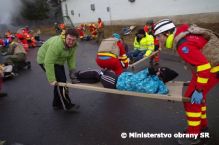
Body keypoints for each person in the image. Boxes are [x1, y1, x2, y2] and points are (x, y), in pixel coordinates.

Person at [153, 19, 219, 144]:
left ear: (167, 34)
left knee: (190, 100)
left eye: (159, 36)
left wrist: (199, 89)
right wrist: (196, 82)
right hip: (211, 68)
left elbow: (204, 68)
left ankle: (194, 134)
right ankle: (202, 127)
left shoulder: (183, 45)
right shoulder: (183, 35)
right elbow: (200, 62)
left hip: (212, 70)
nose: (158, 40)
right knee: (197, 99)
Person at [37, 28, 80, 112]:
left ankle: (56, 104)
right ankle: (68, 106)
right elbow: (48, 62)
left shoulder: (74, 45)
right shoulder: (57, 45)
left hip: (58, 61)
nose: (71, 42)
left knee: (60, 82)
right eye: (69, 39)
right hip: (44, 59)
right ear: (65, 37)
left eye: (73, 40)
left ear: (76, 40)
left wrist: (72, 72)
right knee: (62, 83)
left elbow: (71, 58)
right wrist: (51, 79)